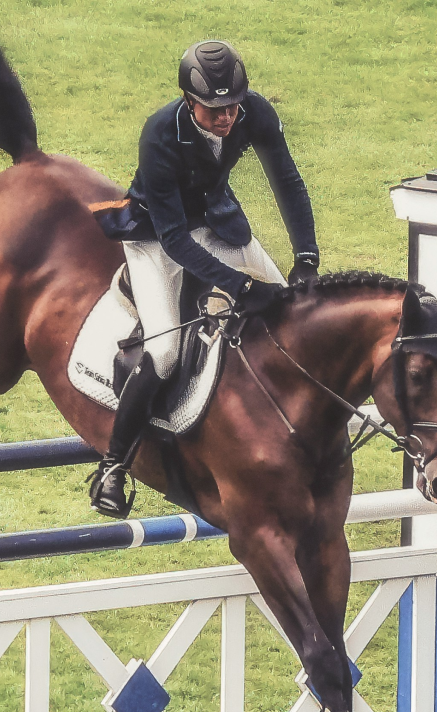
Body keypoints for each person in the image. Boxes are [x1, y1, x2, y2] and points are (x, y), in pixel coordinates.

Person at [90, 39, 321, 518]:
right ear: (189, 101)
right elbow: (176, 240)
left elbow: (288, 181)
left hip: (217, 221)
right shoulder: (160, 133)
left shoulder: (253, 111)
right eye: (215, 109)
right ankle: (112, 467)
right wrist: (236, 285)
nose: (227, 117)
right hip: (158, 237)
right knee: (165, 350)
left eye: (233, 105)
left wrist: (306, 258)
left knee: (293, 315)